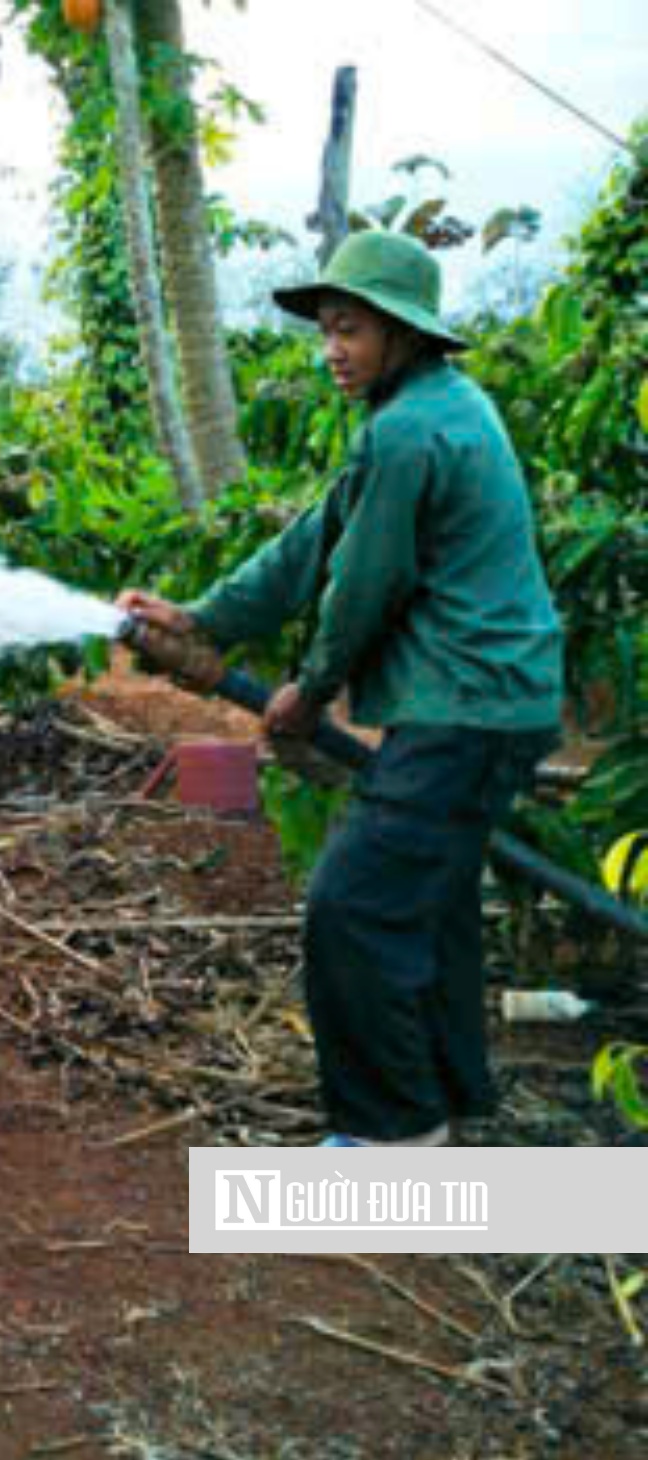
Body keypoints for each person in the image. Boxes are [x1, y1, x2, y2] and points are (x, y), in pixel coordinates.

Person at [118, 230, 564, 1147]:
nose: (331, 350)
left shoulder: (408, 431)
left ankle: (389, 1138)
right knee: (427, 905)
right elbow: (315, 541)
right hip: (484, 703)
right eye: (325, 330)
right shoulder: (427, 411)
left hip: (465, 708)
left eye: (350, 329)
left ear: (404, 331)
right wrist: (203, 619)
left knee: (351, 907)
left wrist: (309, 692)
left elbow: (363, 583)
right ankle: (442, 1107)